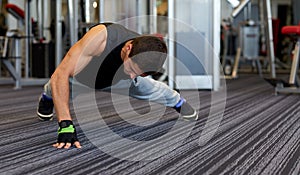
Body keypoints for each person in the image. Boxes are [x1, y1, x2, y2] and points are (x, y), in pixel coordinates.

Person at [36, 23, 198, 149]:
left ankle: (178, 102)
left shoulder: (142, 53)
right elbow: (61, 74)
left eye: (139, 73)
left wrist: (135, 74)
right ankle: (47, 97)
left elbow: (137, 76)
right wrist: (65, 124)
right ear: (128, 48)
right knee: (56, 83)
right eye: (133, 69)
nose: (133, 75)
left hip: (117, 80)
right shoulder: (101, 38)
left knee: (149, 87)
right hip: (82, 78)